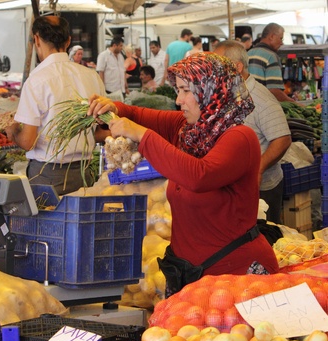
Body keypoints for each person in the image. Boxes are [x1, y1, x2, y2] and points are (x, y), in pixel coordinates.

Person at [88, 52, 279, 296]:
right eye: (178, 90)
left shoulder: (240, 137)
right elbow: (139, 115)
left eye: (186, 90)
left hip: (234, 274)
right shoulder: (190, 129)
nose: (179, 100)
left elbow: (199, 176)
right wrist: (113, 108)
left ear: (212, 91)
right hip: (191, 273)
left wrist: (142, 135)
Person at [5, 15, 106, 195]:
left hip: (47, 176)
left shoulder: (36, 80)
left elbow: (28, 142)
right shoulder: (91, 76)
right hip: (84, 174)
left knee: (48, 223)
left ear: (36, 39)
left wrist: (13, 132)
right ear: (68, 41)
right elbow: (100, 130)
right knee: (80, 221)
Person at [214, 40, 292, 224]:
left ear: (237, 67)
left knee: (263, 239)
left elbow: (282, 138)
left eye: (217, 63)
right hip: (235, 185)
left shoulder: (260, 98)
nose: (213, 69)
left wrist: (259, 167)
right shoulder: (229, 92)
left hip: (262, 188)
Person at [247, 23, 298, 103]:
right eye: (281, 38)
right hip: (262, 107)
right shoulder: (271, 56)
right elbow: (274, 91)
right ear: (272, 36)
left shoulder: (248, 53)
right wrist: (294, 103)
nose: (282, 43)